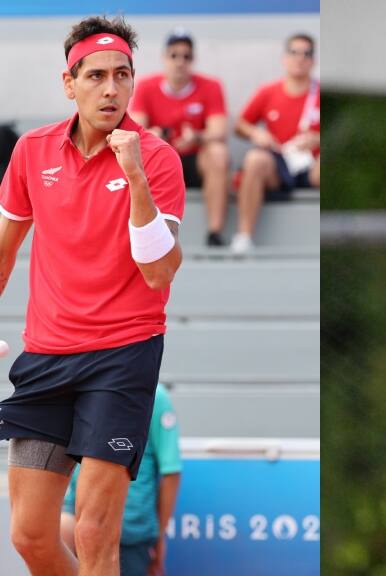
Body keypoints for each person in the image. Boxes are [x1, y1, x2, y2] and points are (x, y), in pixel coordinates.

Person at [0, 15, 184, 576]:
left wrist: (135, 180)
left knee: (94, 532)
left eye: (123, 75)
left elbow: (160, 272)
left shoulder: (155, 158)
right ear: (69, 83)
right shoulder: (31, 151)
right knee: (31, 535)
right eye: (97, 75)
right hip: (46, 357)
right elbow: (4, 248)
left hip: (121, 357)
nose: (111, 89)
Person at [61, 383, 182, 576]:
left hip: (129, 530)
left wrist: (158, 534)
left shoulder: (153, 395)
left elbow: (171, 470)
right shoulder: (81, 388)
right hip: (79, 519)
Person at [131, 28, 228, 247]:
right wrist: (155, 136)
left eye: (186, 56)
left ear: (193, 59)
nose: (180, 61)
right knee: (136, 152)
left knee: (218, 153)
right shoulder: (146, 86)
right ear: (164, 57)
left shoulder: (211, 86)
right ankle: (145, 231)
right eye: (174, 55)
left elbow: (219, 131)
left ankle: (214, 232)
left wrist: (197, 137)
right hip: (161, 160)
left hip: (195, 160)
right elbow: (136, 129)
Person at [232, 32, 320, 253]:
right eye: (294, 52)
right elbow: (240, 125)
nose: (300, 58)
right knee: (254, 159)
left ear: (313, 60)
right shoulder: (269, 91)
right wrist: (257, 134)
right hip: (279, 162)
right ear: (284, 58)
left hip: (312, 165)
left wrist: (318, 139)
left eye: (306, 53)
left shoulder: (320, 92)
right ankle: (244, 236)